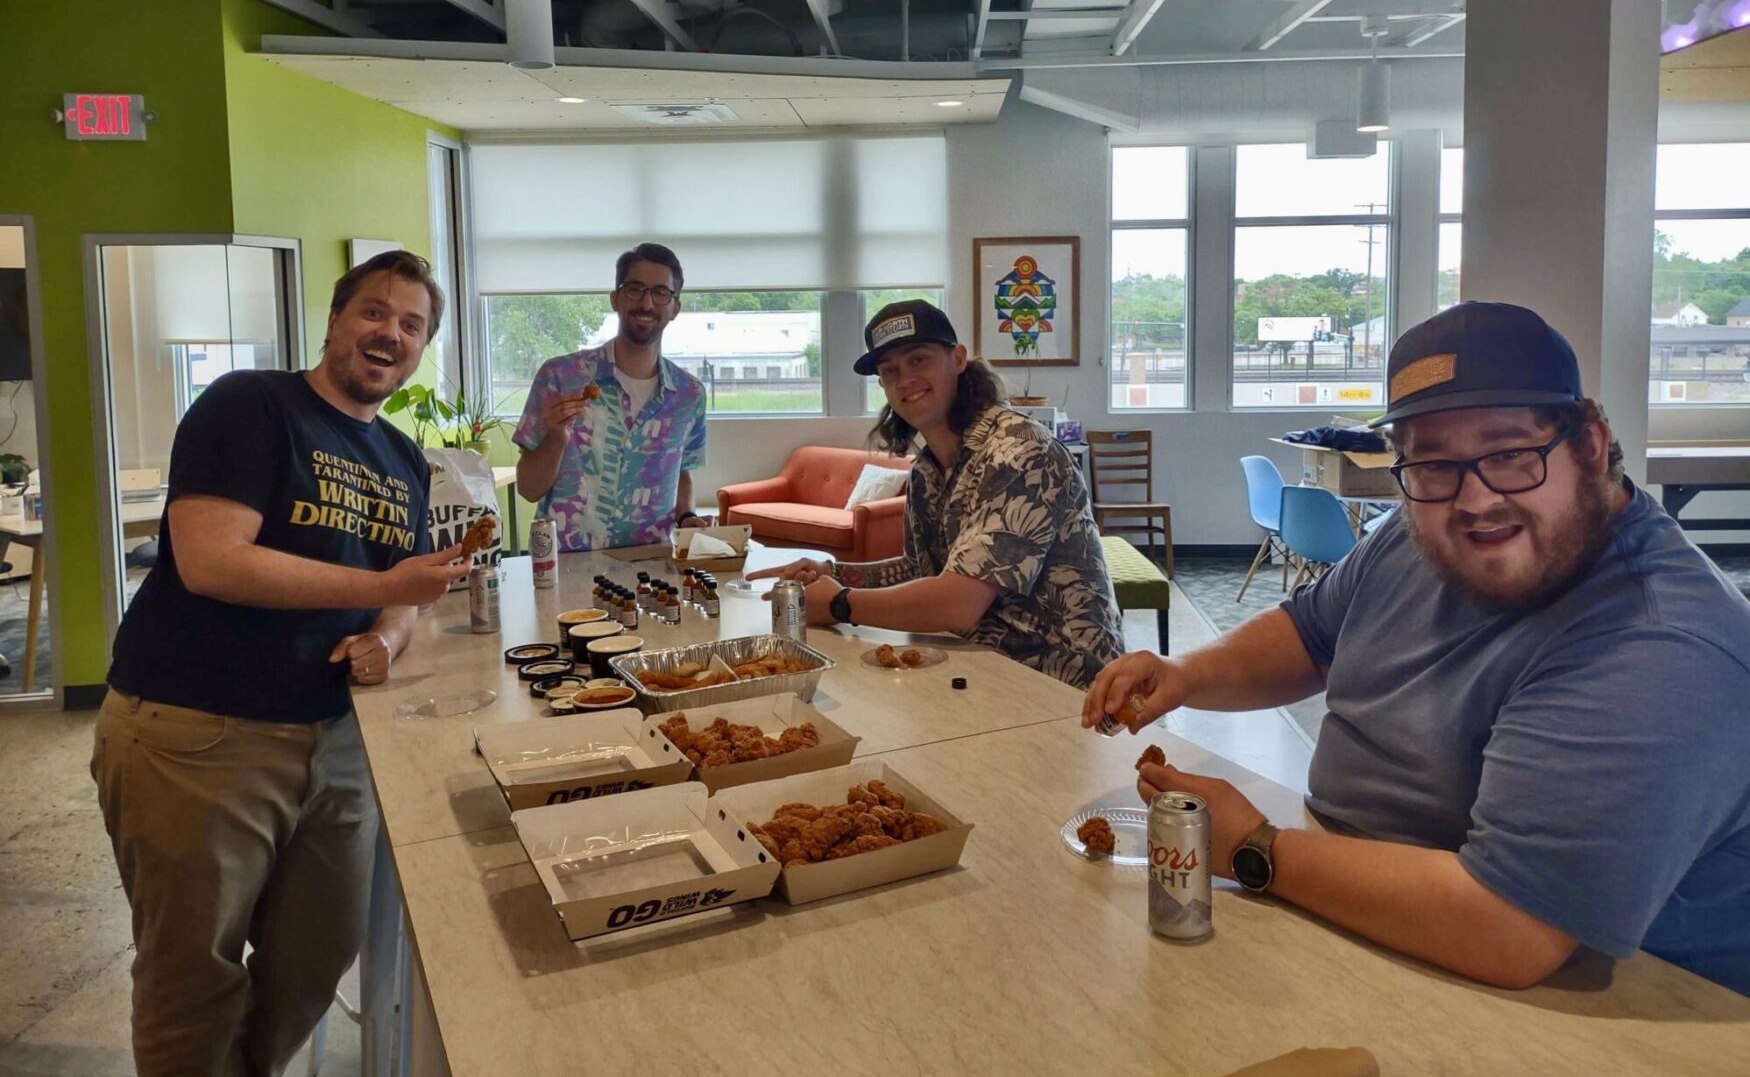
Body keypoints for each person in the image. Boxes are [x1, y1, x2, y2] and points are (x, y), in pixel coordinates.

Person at [1085, 301, 1750, 995]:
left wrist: (1255, 847)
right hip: (1366, 914)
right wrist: (1185, 673)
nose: (1475, 499)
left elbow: (1510, 929)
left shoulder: (1658, 641)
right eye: (1433, 462)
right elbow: (1310, 634)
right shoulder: (1418, 533)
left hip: (1602, 1001)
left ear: (1589, 444)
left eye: (1510, 453)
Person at [92, 250, 472, 1075]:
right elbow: (211, 560)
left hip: (334, 737)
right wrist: (386, 586)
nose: (391, 333)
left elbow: (405, 591)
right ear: (335, 321)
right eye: (374, 311)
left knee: (314, 957)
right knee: (192, 972)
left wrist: (387, 635)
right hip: (199, 731)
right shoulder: (251, 404)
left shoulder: (404, 458)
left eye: (412, 324)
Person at [750, 300, 1123, 689]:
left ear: (958, 359)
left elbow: (958, 603)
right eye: (890, 371)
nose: (905, 380)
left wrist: (840, 603)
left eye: (918, 360)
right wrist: (833, 573)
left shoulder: (1019, 449)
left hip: (1066, 686)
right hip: (978, 672)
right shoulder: (928, 469)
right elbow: (920, 571)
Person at [513, 242, 708, 551]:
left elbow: (682, 470)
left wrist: (687, 517)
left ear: (675, 308)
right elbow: (527, 489)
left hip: (652, 564)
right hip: (569, 564)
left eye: (661, 293)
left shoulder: (689, 395)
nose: (647, 302)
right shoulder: (561, 378)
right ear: (615, 298)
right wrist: (555, 439)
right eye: (635, 289)